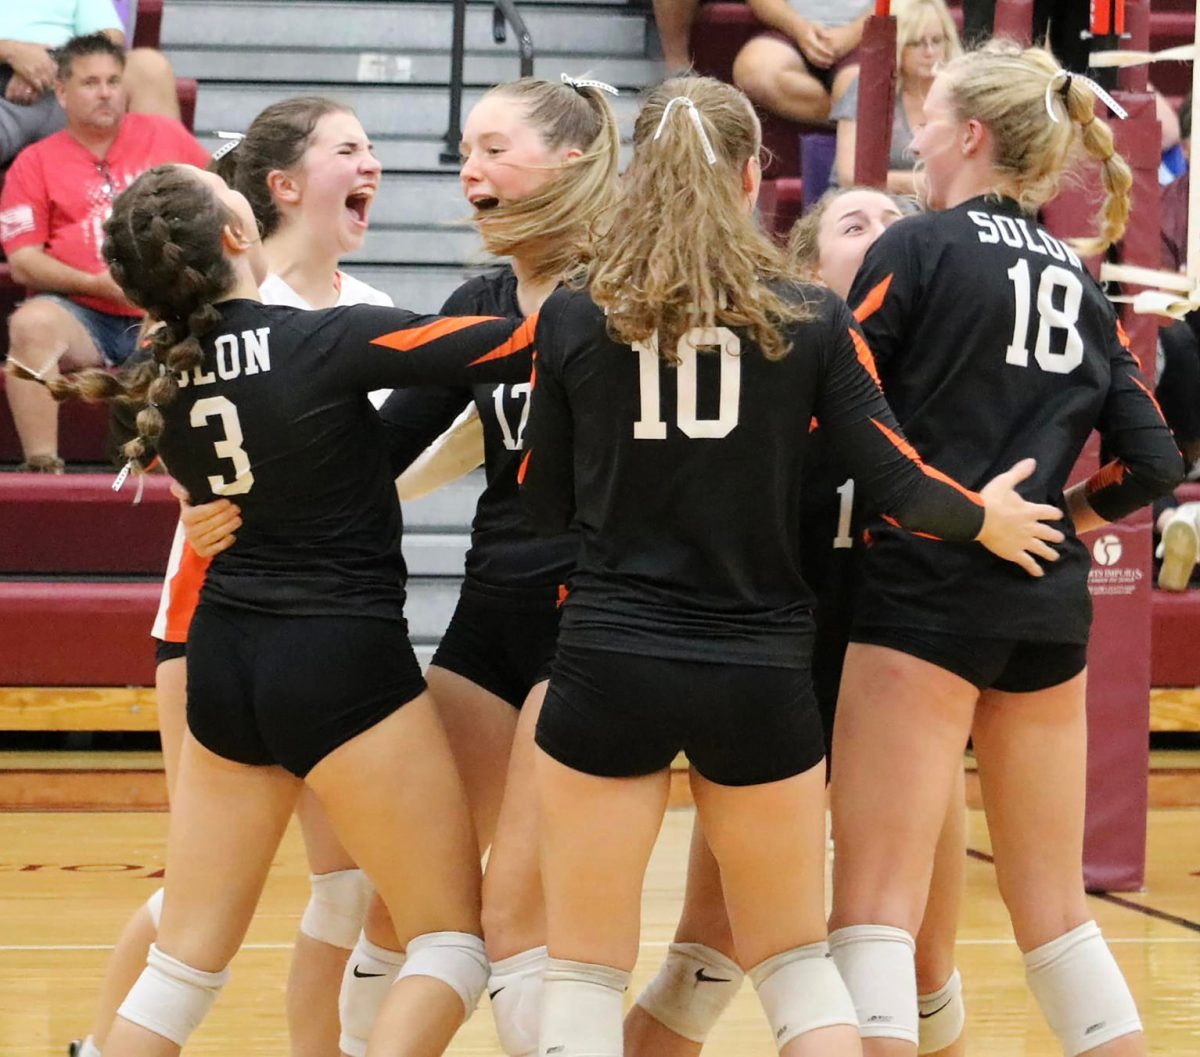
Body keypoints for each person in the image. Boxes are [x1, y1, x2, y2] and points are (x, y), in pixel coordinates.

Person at [519, 74, 1064, 1057]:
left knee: (583, 972)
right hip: (760, 671)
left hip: (611, 657)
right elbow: (899, 480)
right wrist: (985, 519)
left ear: (642, 171)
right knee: (796, 964)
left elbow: (541, 497)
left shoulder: (573, 311)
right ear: (748, 177)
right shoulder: (812, 314)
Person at [8, 161, 536, 1057]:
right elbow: (514, 340)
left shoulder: (158, 376)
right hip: (338, 662)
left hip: (222, 658)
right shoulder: (324, 341)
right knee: (449, 938)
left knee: (184, 965)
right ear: (237, 236)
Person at [169, 76, 622, 1057]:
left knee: (509, 917)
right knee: (402, 906)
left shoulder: (637, 297)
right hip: (489, 613)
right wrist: (231, 504)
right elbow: (368, 455)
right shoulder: (481, 301)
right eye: (465, 151)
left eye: (495, 149)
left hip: (591, 620)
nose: (469, 171)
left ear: (573, 167)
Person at [826, 44, 1183, 1057]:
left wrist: (956, 509)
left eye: (929, 120)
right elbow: (1153, 460)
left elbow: (842, 412)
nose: (916, 136)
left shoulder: (921, 248)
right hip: (1045, 613)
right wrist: (1064, 517)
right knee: (1058, 918)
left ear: (970, 135)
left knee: (874, 909)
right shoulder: (1077, 275)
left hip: (924, 596)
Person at [69, 97, 395, 1057]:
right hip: (214, 615)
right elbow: (154, 437)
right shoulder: (222, 310)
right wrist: (183, 488)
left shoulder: (370, 312)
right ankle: (99, 1045)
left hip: (326, 619)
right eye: (350, 147)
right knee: (198, 889)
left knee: (349, 881)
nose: (372, 161)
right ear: (274, 194)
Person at [624, 186, 970, 1057]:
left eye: (899, 222)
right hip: (777, 691)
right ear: (809, 273)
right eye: (858, 225)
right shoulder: (777, 371)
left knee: (925, 967)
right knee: (707, 954)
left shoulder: (947, 388)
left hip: (905, 691)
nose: (889, 237)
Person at [0, 32, 207, 472]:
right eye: (91, 82)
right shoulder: (33, 162)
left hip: (159, 307)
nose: (106, 93)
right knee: (29, 323)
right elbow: (23, 260)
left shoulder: (166, 137)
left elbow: (215, 204)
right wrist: (95, 284)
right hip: (82, 313)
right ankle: (42, 466)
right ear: (61, 92)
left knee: (190, 320)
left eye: (114, 81)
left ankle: (169, 469)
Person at [0, 0, 181, 165]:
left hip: (70, 82)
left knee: (149, 66)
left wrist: (49, 63)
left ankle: (169, 192)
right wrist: (11, 52)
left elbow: (109, 38)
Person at [831, 0, 961, 194]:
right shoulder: (867, 87)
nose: (930, 52)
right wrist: (919, 183)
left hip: (934, 205)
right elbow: (850, 175)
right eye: (916, 43)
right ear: (896, 44)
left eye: (937, 40)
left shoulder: (959, 92)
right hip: (867, 200)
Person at [732, 0, 871, 125]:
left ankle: (851, 125)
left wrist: (853, 33)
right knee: (753, 71)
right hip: (790, 27)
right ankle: (842, 122)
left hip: (868, 32)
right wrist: (797, 27)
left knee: (857, 87)